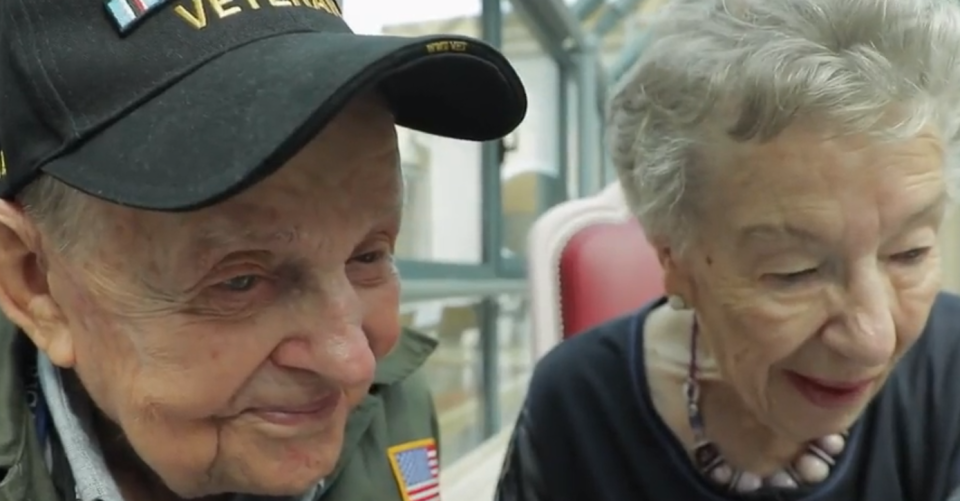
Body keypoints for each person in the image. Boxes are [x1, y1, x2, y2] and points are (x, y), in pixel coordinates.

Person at [0, 1, 526, 500]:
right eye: (240, 281)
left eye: (368, 256)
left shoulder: (395, 408)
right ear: (37, 284)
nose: (355, 365)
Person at [495, 0, 960, 500]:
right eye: (794, 272)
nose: (873, 339)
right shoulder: (577, 402)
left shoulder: (951, 367)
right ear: (673, 258)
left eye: (910, 253)